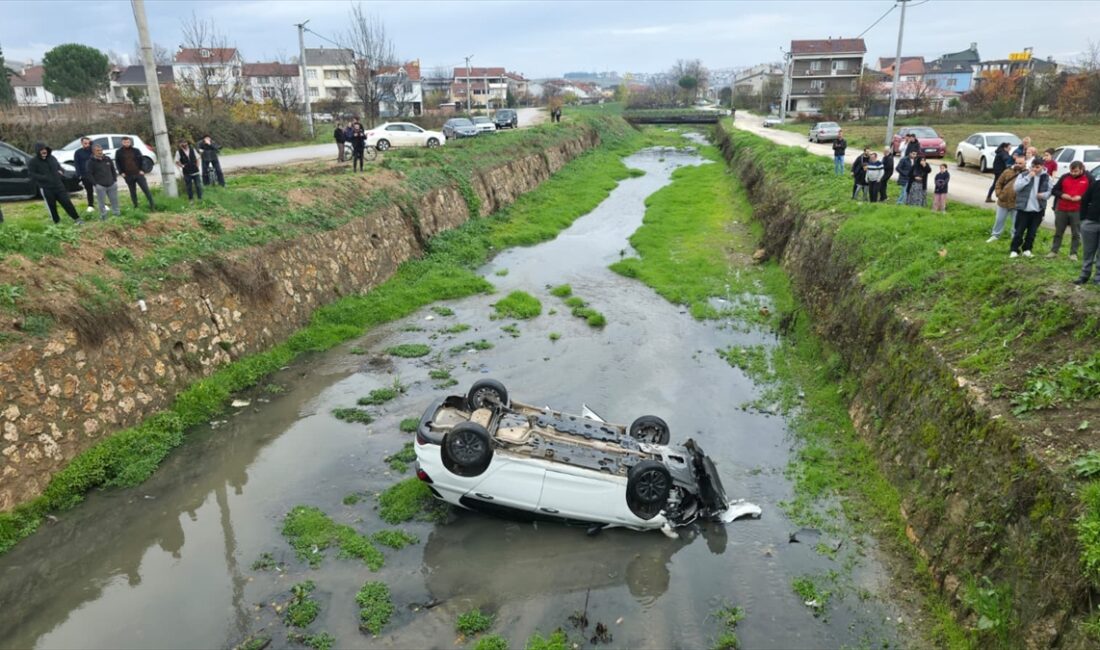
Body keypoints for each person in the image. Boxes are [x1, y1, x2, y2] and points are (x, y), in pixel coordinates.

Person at [28, 142, 82, 224]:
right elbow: (32, 174)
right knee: (51, 206)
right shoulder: (33, 162)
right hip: (46, 188)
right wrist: (44, 177)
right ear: (38, 151)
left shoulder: (52, 158)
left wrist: (61, 171)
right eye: (41, 150)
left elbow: (58, 167)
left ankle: (77, 219)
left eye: (45, 149)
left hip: (59, 186)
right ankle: (56, 222)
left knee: (67, 202)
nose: (44, 151)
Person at [1009, 157, 1051, 258]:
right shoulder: (1023, 175)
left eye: (1037, 167)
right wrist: (1028, 177)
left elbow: (1050, 191)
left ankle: (1027, 249)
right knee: (1019, 231)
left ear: (1042, 167)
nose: (1034, 169)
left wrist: (1044, 195)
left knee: (1032, 232)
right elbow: (1016, 187)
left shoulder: (1046, 177)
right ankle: (1014, 250)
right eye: (1033, 166)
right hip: (1024, 209)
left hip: (1038, 210)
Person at [1049, 161, 1091, 261]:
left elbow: (1092, 193)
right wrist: (1062, 195)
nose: (1073, 173)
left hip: (1077, 210)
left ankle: (1073, 254)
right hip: (1062, 208)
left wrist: (1081, 197)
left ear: (1082, 169)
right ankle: (1054, 251)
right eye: (1071, 171)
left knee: (1076, 233)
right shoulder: (1064, 177)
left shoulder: (1089, 178)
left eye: (1076, 171)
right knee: (1058, 231)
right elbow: (1054, 190)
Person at [988, 154, 1026, 242]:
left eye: (1020, 163)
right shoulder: (1007, 171)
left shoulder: (1026, 174)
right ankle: (995, 235)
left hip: (1017, 203)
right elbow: (998, 183)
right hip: (1003, 201)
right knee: (999, 220)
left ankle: (1014, 237)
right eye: (1016, 163)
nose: (1017, 165)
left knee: (1016, 222)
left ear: (1025, 163)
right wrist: (999, 194)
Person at [115, 136, 154, 210]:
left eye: (128, 142)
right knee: (132, 192)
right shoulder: (119, 152)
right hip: (128, 175)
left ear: (130, 142)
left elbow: (142, 160)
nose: (126, 143)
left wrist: (142, 170)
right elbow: (117, 163)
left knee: (146, 190)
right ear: (122, 143)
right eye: (125, 142)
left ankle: (152, 205)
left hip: (138, 174)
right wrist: (121, 172)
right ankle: (136, 206)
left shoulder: (136, 150)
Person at [1076, 176, 1100, 285]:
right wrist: (1083, 219)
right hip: (1091, 222)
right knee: (1088, 252)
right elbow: (1084, 200)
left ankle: (1098, 278)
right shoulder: (1096, 184)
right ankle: (1084, 275)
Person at [87, 144, 120, 220]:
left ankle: (117, 215)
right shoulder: (90, 162)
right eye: (98, 150)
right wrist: (95, 184)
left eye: (101, 150)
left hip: (111, 184)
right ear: (93, 151)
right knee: (101, 203)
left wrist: (114, 180)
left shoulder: (107, 159)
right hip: (100, 186)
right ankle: (104, 217)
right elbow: (89, 174)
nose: (100, 152)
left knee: (114, 201)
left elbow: (113, 170)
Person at [73, 136, 96, 214]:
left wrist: (92, 144)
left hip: (95, 173)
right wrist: (79, 175)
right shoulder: (78, 152)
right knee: (89, 191)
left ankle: (103, 204)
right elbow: (77, 164)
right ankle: (91, 205)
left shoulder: (93, 150)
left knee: (100, 189)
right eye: (85, 143)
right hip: (85, 175)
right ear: (82, 143)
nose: (87, 144)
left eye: (88, 143)